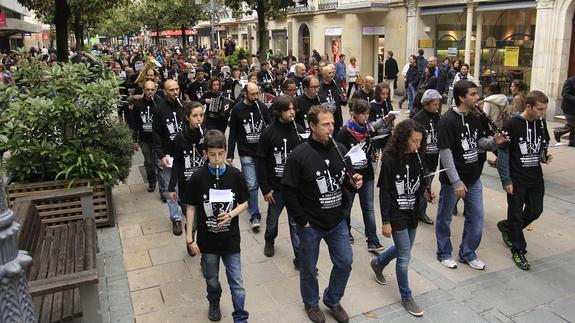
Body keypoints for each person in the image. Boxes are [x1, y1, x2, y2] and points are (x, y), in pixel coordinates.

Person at [282, 105, 363, 323]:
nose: (330, 128)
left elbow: (346, 177)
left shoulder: (339, 147)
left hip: (336, 220)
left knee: (345, 262)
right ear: (312, 126)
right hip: (311, 224)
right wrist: (302, 221)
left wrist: (353, 181)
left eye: (333, 124)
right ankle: (311, 303)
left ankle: (332, 299)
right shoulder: (299, 156)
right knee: (309, 267)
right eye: (325, 124)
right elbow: (288, 191)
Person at [435, 80, 509, 270]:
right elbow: (446, 154)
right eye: (473, 94)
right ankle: (443, 252)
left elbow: (478, 143)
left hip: (473, 178)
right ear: (461, 97)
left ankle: (467, 253)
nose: (477, 97)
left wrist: (495, 142)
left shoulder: (474, 118)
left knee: (477, 217)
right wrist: (456, 181)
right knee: (445, 217)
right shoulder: (446, 121)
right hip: (454, 181)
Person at [370, 119, 435, 318]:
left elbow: (421, 183)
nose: (418, 145)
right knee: (405, 256)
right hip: (396, 212)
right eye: (414, 141)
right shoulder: (389, 159)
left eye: (420, 141)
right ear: (403, 139)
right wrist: (386, 221)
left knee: (402, 249)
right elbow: (384, 192)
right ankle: (406, 296)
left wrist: (426, 193)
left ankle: (379, 263)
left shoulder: (418, 155)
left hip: (412, 211)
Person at [183, 130, 250, 323]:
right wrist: (189, 238)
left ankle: (240, 317)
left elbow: (245, 203)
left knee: (237, 282)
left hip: (230, 239)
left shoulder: (235, 175)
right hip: (208, 240)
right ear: (205, 153)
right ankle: (214, 300)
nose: (217, 158)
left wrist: (230, 214)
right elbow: (191, 206)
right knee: (211, 279)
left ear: (226, 151)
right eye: (212, 154)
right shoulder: (198, 177)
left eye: (220, 154)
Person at [496, 91, 552, 270]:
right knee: (516, 214)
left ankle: (507, 227)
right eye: (539, 109)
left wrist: (544, 156)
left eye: (544, 109)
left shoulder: (541, 123)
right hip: (516, 177)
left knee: (536, 210)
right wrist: (506, 179)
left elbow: (542, 146)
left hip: (535, 176)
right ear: (528, 106)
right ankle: (518, 250)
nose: (542, 113)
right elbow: (503, 153)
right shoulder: (512, 123)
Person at [256, 95, 303, 265]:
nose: (292, 112)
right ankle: (269, 239)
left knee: (295, 223)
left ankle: (300, 257)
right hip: (276, 187)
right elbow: (260, 161)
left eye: (293, 109)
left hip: (295, 187)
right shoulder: (268, 132)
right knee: (273, 218)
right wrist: (265, 188)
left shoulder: (299, 129)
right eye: (288, 109)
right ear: (279, 111)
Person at [338, 99, 385, 251]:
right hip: (351, 176)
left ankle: (372, 239)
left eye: (367, 114)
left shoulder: (368, 129)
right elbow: (340, 153)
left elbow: (373, 146)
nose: (366, 117)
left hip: (367, 174)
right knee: (347, 206)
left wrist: (373, 154)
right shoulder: (345, 131)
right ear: (355, 114)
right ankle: (346, 233)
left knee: (369, 208)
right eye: (363, 114)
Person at [227, 82, 271, 230]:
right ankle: (255, 215)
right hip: (246, 152)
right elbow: (233, 132)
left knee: (262, 181)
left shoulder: (262, 107)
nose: (255, 97)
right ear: (245, 93)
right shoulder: (238, 109)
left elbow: (270, 127)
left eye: (257, 93)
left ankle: (252, 205)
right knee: (252, 184)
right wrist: (230, 154)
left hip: (262, 152)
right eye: (252, 94)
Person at [168, 101, 206, 256]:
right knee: (193, 222)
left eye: (201, 115)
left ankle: (204, 250)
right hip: (187, 188)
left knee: (205, 222)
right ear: (187, 118)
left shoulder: (207, 134)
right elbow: (177, 162)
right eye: (195, 116)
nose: (199, 119)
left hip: (204, 186)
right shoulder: (180, 138)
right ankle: (190, 238)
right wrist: (171, 187)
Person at [152, 79, 185, 235]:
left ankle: (185, 206)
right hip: (169, 154)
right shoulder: (159, 109)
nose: (175, 92)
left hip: (184, 153)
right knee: (171, 186)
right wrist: (161, 154)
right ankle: (176, 217)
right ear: (165, 92)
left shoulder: (182, 105)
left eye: (176, 89)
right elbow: (156, 134)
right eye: (171, 90)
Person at [412, 89, 442, 225]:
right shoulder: (418, 118)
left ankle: (418, 209)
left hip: (434, 156)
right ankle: (420, 212)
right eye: (435, 104)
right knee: (425, 185)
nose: (437, 107)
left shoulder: (437, 116)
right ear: (427, 104)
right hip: (422, 157)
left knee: (427, 182)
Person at [130, 80, 160, 193]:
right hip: (144, 139)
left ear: (155, 90)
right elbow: (134, 123)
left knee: (159, 161)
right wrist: (134, 140)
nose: (150, 92)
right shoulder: (138, 105)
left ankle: (162, 186)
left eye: (152, 90)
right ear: (144, 90)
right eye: (148, 89)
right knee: (149, 161)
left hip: (157, 138)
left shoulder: (159, 102)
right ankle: (152, 181)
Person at [482, 82, 510, 167]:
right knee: (501, 141)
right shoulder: (504, 98)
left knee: (492, 143)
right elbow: (507, 111)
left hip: (492, 125)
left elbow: (485, 114)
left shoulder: (488, 100)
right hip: (503, 123)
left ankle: (503, 159)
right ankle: (499, 160)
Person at [319, 65, 347, 135]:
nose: (332, 75)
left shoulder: (336, 85)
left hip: (336, 119)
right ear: (324, 75)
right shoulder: (319, 87)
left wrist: (343, 99)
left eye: (332, 73)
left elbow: (343, 103)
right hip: (325, 118)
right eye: (329, 73)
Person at [554, 75, 575, 146]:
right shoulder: (570, 81)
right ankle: (559, 132)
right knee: (573, 124)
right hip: (569, 109)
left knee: (572, 125)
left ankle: (572, 141)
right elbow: (565, 94)